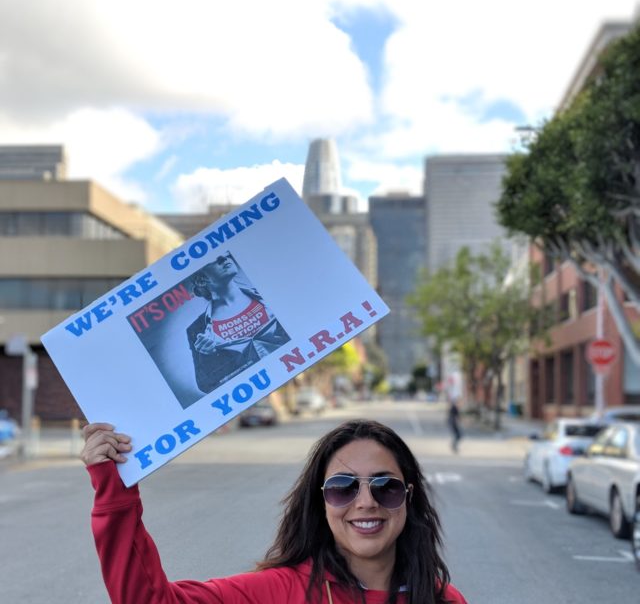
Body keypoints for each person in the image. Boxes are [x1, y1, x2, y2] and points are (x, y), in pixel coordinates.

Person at [81, 419, 468, 604]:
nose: (365, 502)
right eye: (343, 488)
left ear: (408, 497)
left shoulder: (445, 599)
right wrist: (115, 493)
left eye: (386, 487)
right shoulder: (275, 592)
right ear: (321, 502)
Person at [187, 252, 290, 392]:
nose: (223, 258)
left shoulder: (268, 293)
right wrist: (207, 356)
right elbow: (206, 385)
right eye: (212, 260)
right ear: (200, 280)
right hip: (258, 392)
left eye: (226, 254)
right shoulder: (197, 329)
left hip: (293, 374)